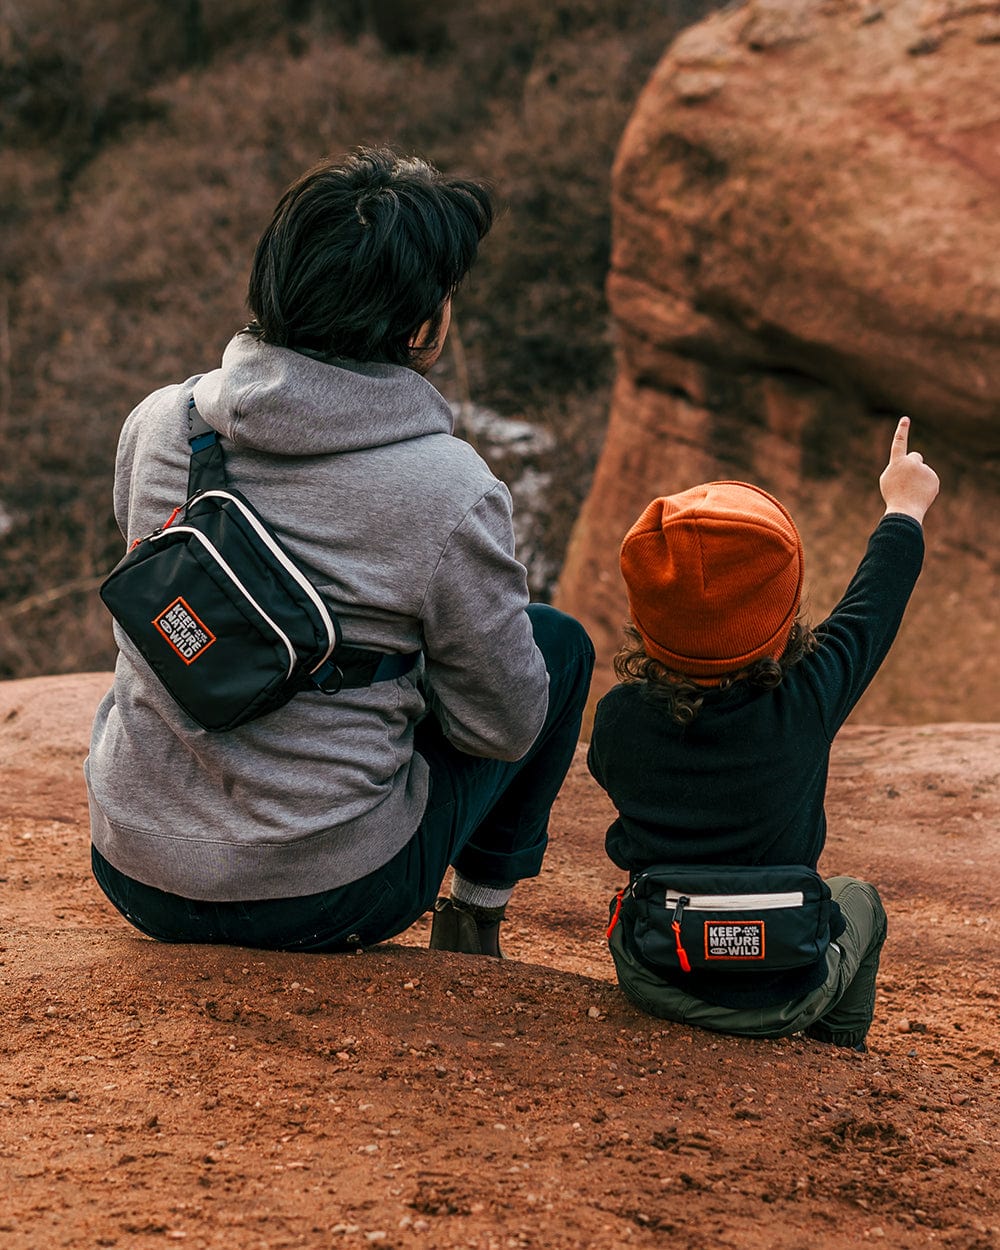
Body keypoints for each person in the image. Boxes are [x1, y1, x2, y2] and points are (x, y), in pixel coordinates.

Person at [87, 147, 594, 958]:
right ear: (424, 327)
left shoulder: (161, 421)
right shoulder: (448, 488)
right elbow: (500, 725)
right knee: (557, 644)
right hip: (324, 894)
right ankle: (475, 921)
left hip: (133, 865)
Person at [587, 417, 939, 1048]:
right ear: (778, 616)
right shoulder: (806, 701)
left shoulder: (619, 721)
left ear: (647, 617)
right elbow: (870, 609)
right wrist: (903, 509)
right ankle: (840, 1054)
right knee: (859, 899)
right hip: (786, 989)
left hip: (657, 975)